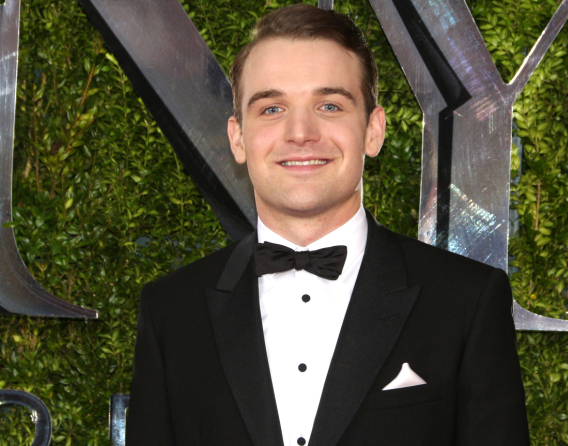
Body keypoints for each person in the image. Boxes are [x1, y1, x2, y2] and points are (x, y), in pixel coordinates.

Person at [126, 4, 529, 446]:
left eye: (330, 105)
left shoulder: (466, 302)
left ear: (373, 131)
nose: (301, 132)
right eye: (272, 108)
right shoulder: (171, 312)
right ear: (238, 138)